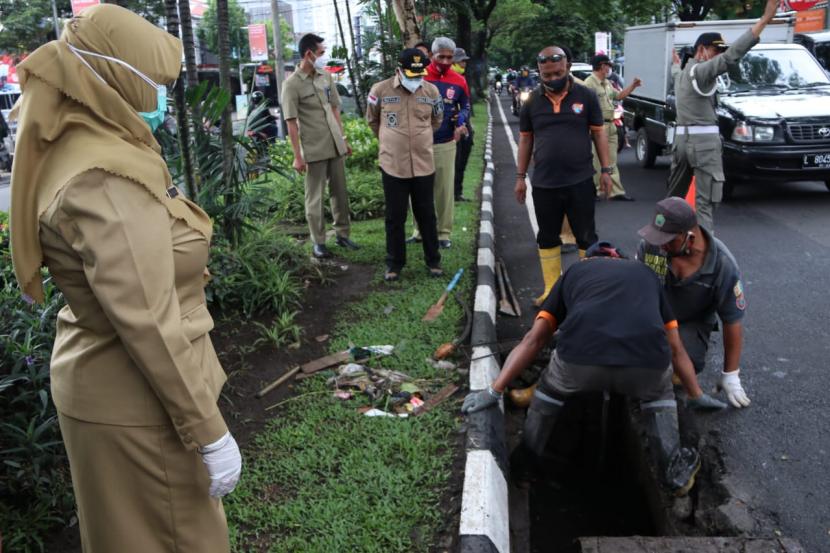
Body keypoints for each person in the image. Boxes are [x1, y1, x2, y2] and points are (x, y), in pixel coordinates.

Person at [9, 5, 240, 552]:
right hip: (140, 406)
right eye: (155, 82)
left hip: (117, 390)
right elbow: (148, 322)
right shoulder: (104, 177)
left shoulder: (88, 144)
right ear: (112, 75)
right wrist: (209, 432)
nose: (161, 95)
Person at [461, 242, 725, 496]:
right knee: (659, 396)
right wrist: (695, 394)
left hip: (579, 362)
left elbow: (535, 340)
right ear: (620, 259)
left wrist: (494, 391)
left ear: (589, 259)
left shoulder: (575, 271)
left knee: (549, 390)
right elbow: (676, 349)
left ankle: (526, 465)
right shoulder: (646, 275)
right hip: (647, 367)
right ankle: (673, 472)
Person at [666, 0, 778, 232]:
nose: (719, 55)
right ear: (701, 50)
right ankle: (705, 261)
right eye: (715, 50)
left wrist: (676, 63)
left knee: (673, 202)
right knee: (705, 205)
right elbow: (731, 58)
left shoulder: (684, 73)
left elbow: (676, 70)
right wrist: (765, 20)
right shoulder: (703, 71)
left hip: (681, 144)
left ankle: (664, 246)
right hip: (703, 146)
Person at [515, 46, 614, 306]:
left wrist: (606, 170)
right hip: (544, 183)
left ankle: (587, 291)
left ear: (567, 67)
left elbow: (599, 134)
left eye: (557, 73)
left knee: (586, 237)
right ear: (539, 72)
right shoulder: (532, 102)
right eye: (546, 76)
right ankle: (551, 290)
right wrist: (519, 176)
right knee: (547, 237)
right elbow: (525, 141)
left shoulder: (587, 96)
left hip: (580, 180)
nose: (552, 79)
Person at [637, 197, 751, 408]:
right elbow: (635, 291)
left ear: (689, 238)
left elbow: (732, 321)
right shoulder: (651, 246)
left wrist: (731, 374)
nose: (660, 245)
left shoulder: (723, 266)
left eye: (668, 240)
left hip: (690, 321)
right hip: (651, 315)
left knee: (679, 362)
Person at [366, 49, 444, 282]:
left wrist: (421, 138)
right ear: (398, 69)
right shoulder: (380, 90)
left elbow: (436, 120)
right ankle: (394, 263)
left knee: (427, 215)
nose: (416, 78)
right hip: (393, 164)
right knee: (395, 216)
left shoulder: (431, 91)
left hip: (423, 163)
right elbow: (372, 120)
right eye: (411, 73)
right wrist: (391, 141)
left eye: (419, 73)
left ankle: (433, 261)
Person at [282, 33, 359, 259]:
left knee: (340, 193)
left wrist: (343, 139)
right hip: (314, 147)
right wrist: (298, 156)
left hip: (335, 144)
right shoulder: (291, 85)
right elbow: (291, 124)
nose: (323, 56)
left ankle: (343, 234)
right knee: (315, 197)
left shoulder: (326, 77)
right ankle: (319, 242)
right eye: (321, 52)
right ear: (309, 53)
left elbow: (335, 109)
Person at [408, 37, 470, 250]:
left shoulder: (459, 80)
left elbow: (465, 106)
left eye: (449, 57)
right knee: (417, 189)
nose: (445, 61)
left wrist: (460, 123)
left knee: (444, 190)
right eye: (440, 56)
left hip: (445, 141)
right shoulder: (418, 77)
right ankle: (418, 230)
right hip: (417, 142)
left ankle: (444, 233)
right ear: (431, 56)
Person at [583, 54, 642, 201]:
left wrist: (633, 86)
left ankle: (615, 192)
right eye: (608, 65)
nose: (610, 68)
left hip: (611, 125)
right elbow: (584, 107)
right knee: (597, 160)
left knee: (612, 159)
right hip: (597, 127)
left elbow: (619, 96)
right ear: (602, 66)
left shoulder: (607, 83)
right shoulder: (589, 84)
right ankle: (597, 190)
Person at [452, 47, 474, 202]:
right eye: (461, 61)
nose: (464, 64)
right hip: (452, 127)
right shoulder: (448, 78)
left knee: (462, 160)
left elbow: (465, 105)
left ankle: (457, 192)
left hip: (464, 125)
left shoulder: (462, 79)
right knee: (455, 161)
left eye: (465, 61)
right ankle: (452, 193)